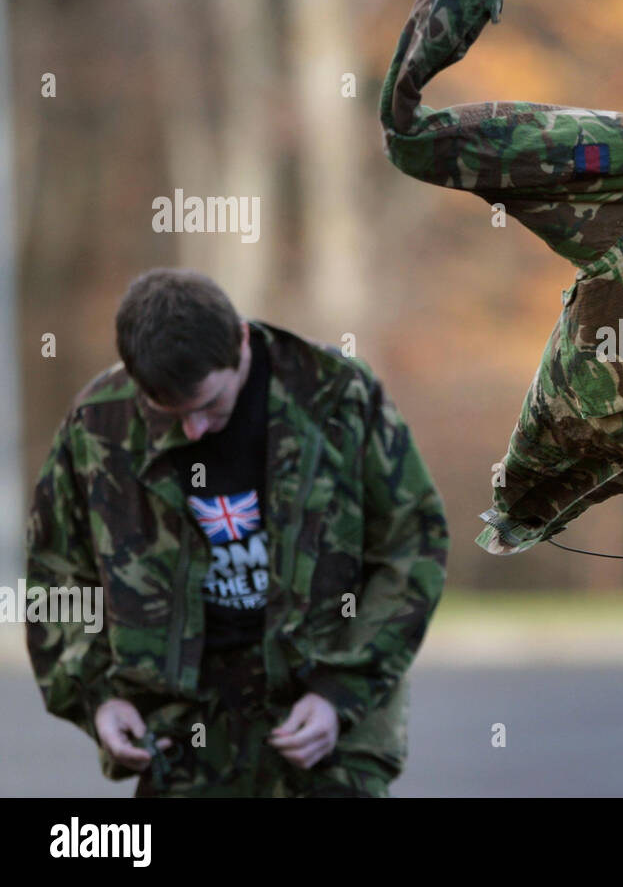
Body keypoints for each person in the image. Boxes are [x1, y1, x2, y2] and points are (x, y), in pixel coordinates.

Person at [25, 268, 449, 797]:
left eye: (208, 406)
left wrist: (342, 690)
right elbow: (59, 575)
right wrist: (99, 698)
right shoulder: (99, 424)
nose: (193, 430)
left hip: (319, 709)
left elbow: (412, 543)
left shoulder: (335, 396)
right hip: (182, 725)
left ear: (241, 341)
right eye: (168, 413)